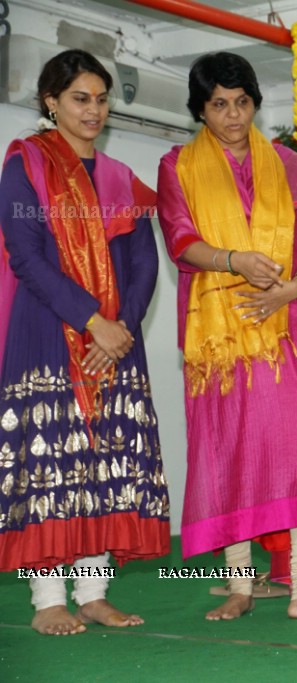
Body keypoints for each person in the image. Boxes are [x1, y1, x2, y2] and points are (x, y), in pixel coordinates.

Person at [157, 52, 297, 621]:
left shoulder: (292, 168)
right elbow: (180, 240)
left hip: (285, 328)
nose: (233, 115)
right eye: (219, 104)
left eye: (242, 102)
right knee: (230, 449)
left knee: (296, 450)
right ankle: (240, 585)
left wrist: (291, 289)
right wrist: (235, 260)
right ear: (200, 110)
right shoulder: (177, 166)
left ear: (255, 104)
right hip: (219, 335)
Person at [0, 49, 170, 635]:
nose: (93, 109)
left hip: (116, 338)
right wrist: (91, 319)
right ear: (51, 102)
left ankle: (94, 593)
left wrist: (119, 327)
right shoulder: (27, 165)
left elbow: (144, 262)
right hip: (48, 328)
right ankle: (49, 599)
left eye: (101, 98)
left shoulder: (122, 178)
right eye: (80, 98)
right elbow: (27, 255)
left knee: (105, 457)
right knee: (52, 456)